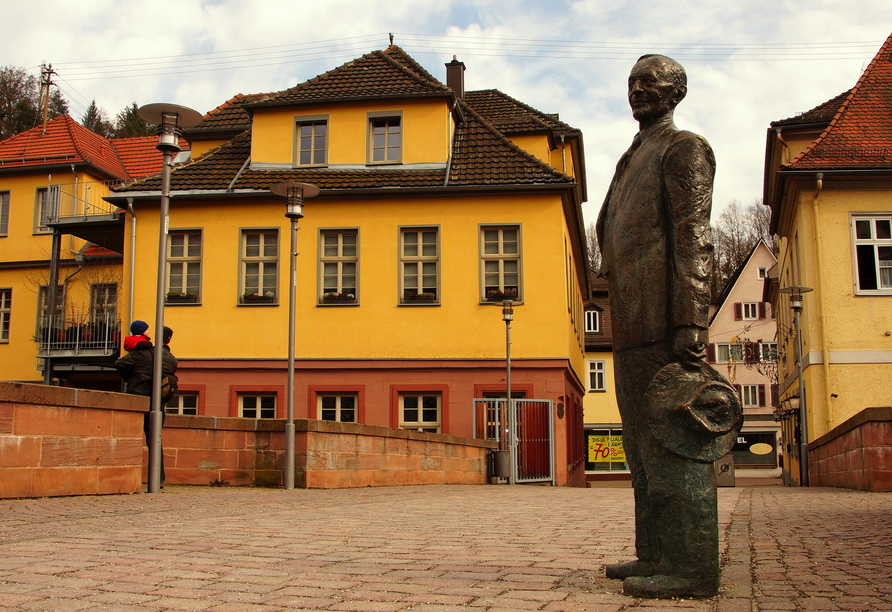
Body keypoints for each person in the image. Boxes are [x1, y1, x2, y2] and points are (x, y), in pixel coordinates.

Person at [596, 54, 729, 599]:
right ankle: (655, 551)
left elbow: (693, 235)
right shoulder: (632, 158)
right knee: (640, 449)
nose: (638, 89)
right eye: (632, 81)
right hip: (629, 325)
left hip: (662, 321)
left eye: (651, 81)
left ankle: (693, 568)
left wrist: (690, 319)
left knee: (675, 444)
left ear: (676, 92)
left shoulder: (684, 148)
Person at [115, 326, 178, 484]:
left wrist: (131, 377)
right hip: (158, 402)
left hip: (138, 396)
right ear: (169, 340)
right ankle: (159, 478)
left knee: (129, 437)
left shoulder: (142, 352)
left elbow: (120, 363)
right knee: (155, 440)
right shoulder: (172, 359)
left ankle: (124, 477)